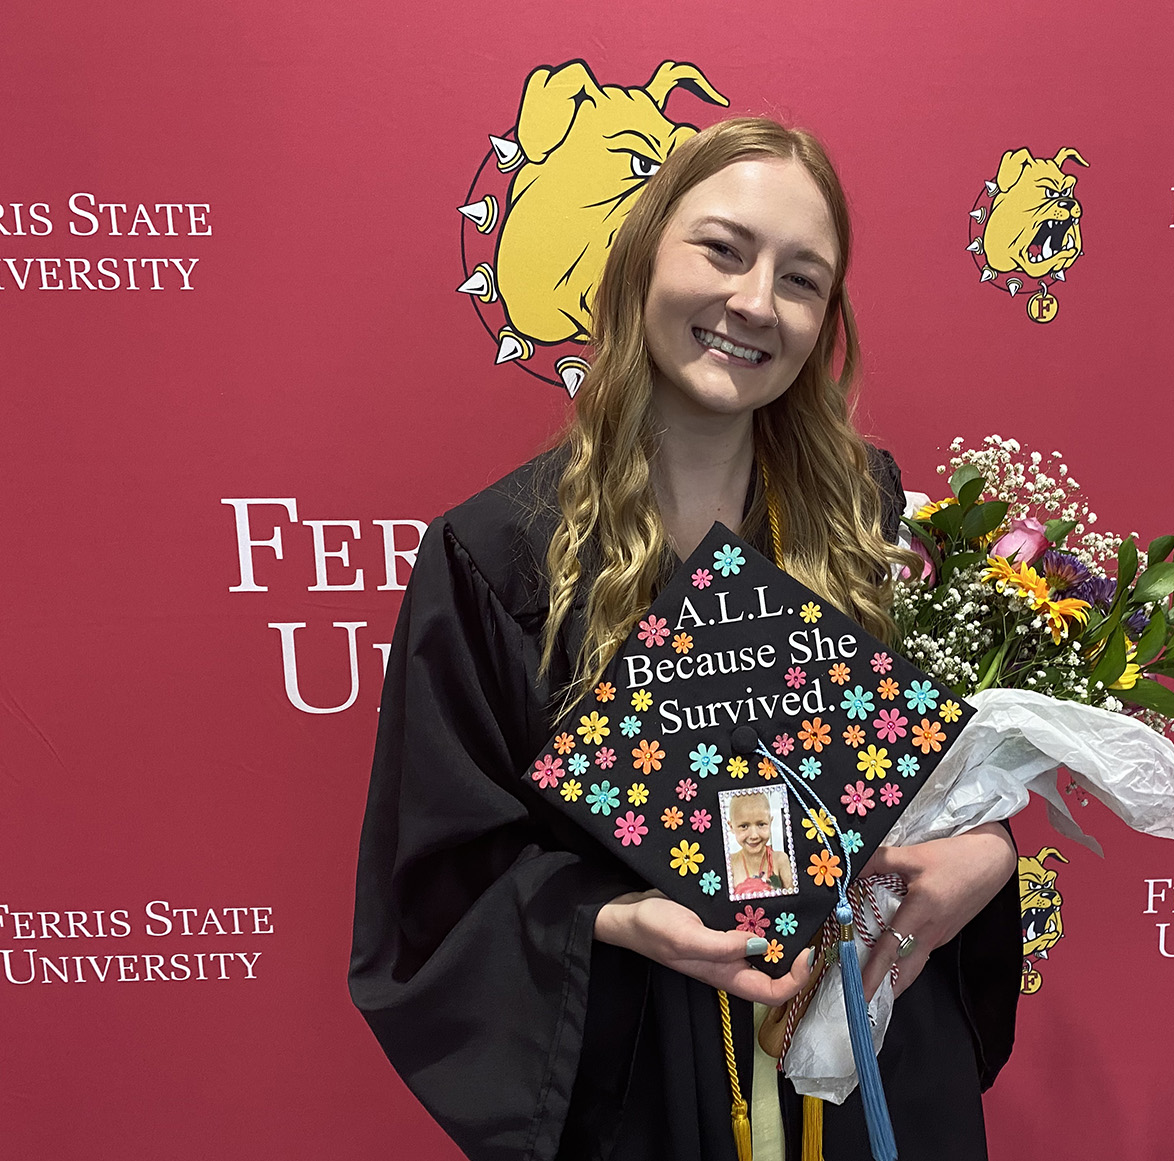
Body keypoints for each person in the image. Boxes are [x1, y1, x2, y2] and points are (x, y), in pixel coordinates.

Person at [349, 117, 1021, 1161]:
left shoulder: (871, 517)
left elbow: (948, 777)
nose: (755, 301)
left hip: (867, 1065)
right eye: (722, 248)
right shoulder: (499, 558)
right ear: (640, 255)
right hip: (645, 1081)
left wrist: (986, 852)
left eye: (801, 279)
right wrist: (619, 919)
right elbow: (439, 883)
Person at [726, 791, 796, 898]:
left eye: (761, 824)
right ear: (731, 827)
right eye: (744, 826)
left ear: (770, 822)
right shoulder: (730, 864)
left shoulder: (780, 860)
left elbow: (794, 900)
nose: (754, 835)